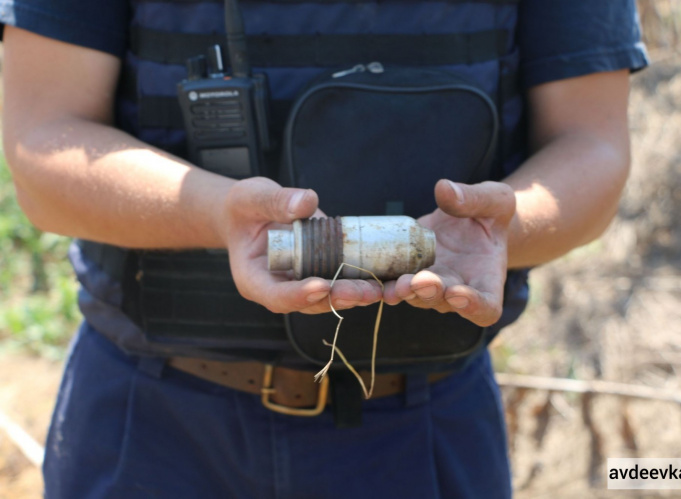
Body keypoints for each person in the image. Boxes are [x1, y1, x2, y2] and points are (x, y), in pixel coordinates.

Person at [1, 0, 648, 497]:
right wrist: (214, 213)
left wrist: (509, 225)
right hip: (152, 427)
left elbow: (593, 143)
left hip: (419, 425)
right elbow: (42, 154)